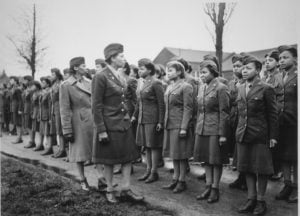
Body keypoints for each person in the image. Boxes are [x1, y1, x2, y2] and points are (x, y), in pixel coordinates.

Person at [92, 43, 143, 203]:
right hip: (109, 125)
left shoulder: (120, 75)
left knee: (127, 158)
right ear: (112, 58)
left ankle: (125, 189)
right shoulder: (100, 76)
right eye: (121, 56)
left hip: (123, 123)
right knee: (109, 160)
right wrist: (101, 130)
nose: (124, 59)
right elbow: (96, 105)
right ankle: (109, 190)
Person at [236, 55, 278, 215]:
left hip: (260, 135)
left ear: (258, 70)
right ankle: (250, 198)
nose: (244, 71)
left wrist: (273, 136)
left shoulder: (266, 88)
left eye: (248, 68)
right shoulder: (240, 88)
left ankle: (261, 201)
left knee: (261, 169)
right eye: (243, 68)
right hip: (243, 134)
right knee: (246, 168)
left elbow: (273, 114)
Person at [194, 60, 230, 203]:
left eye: (204, 72)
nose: (201, 75)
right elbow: (200, 111)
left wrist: (223, 134)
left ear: (213, 72)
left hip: (215, 129)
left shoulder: (221, 88)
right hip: (202, 128)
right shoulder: (202, 87)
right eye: (200, 72)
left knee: (216, 161)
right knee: (206, 160)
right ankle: (208, 186)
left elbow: (225, 113)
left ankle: (215, 189)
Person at [60, 56, 93, 191]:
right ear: (76, 68)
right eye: (83, 66)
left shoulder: (89, 82)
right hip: (77, 121)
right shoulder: (66, 85)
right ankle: (82, 179)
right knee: (79, 152)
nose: (86, 68)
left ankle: (102, 178)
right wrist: (67, 129)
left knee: (96, 149)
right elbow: (64, 109)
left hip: (92, 119)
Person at [162, 61, 193, 193]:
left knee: (181, 155)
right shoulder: (169, 87)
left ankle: (182, 181)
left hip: (179, 124)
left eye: (171, 70)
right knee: (174, 154)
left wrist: (184, 127)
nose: (168, 73)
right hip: (170, 124)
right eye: (167, 70)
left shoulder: (186, 86)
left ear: (179, 72)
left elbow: (188, 108)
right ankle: (175, 179)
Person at [132, 58, 164, 183]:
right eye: (139, 68)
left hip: (153, 119)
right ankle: (148, 170)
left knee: (154, 146)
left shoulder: (156, 83)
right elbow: (139, 102)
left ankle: (154, 172)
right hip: (143, 119)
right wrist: (135, 115)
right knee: (147, 146)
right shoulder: (142, 83)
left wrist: (160, 121)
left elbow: (161, 104)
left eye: (142, 68)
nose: (139, 71)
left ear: (149, 70)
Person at [275, 45, 298, 203]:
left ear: (295, 59)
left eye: (285, 57)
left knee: (295, 156)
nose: (282, 60)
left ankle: (296, 187)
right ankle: (287, 185)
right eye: (280, 58)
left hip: (295, 123)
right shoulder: (278, 77)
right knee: (283, 155)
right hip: (280, 122)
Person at [263, 50, 284, 181]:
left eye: (270, 61)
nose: (267, 63)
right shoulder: (266, 78)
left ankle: (278, 169)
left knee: (276, 142)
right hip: (266, 113)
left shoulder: (279, 77)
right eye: (266, 61)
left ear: (277, 63)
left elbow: (280, 98)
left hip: (276, 113)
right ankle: (271, 168)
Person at [228, 54, 247, 191]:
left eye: (238, 66)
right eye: (234, 66)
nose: (236, 68)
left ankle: (245, 179)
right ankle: (241, 177)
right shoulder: (231, 83)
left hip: (244, 119)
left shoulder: (247, 83)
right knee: (237, 149)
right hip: (234, 118)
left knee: (244, 149)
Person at [50, 68, 67, 158]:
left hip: (60, 107)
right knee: (58, 128)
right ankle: (61, 148)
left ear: (57, 75)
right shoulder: (54, 84)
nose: (51, 76)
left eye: (53, 74)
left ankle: (63, 149)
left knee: (61, 128)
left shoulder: (61, 84)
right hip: (55, 107)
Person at [39, 76, 54, 156]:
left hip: (47, 115)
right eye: (41, 82)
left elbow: (50, 105)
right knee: (44, 131)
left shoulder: (49, 92)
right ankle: (47, 147)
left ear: (48, 84)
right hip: (43, 114)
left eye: (44, 83)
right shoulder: (43, 92)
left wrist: (50, 117)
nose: (42, 84)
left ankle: (49, 148)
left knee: (48, 132)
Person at [22, 76, 35, 148]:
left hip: (30, 108)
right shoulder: (27, 89)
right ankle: (31, 140)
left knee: (30, 125)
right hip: (26, 108)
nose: (24, 82)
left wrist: (32, 111)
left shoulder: (31, 89)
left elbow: (32, 101)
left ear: (29, 81)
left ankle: (32, 141)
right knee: (28, 125)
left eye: (25, 80)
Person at [32, 81, 43, 151]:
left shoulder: (39, 93)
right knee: (36, 129)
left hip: (38, 111)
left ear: (36, 86)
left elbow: (40, 105)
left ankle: (40, 144)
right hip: (35, 111)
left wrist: (38, 114)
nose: (32, 87)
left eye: (33, 86)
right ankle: (38, 143)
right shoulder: (34, 93)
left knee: (39, 129)